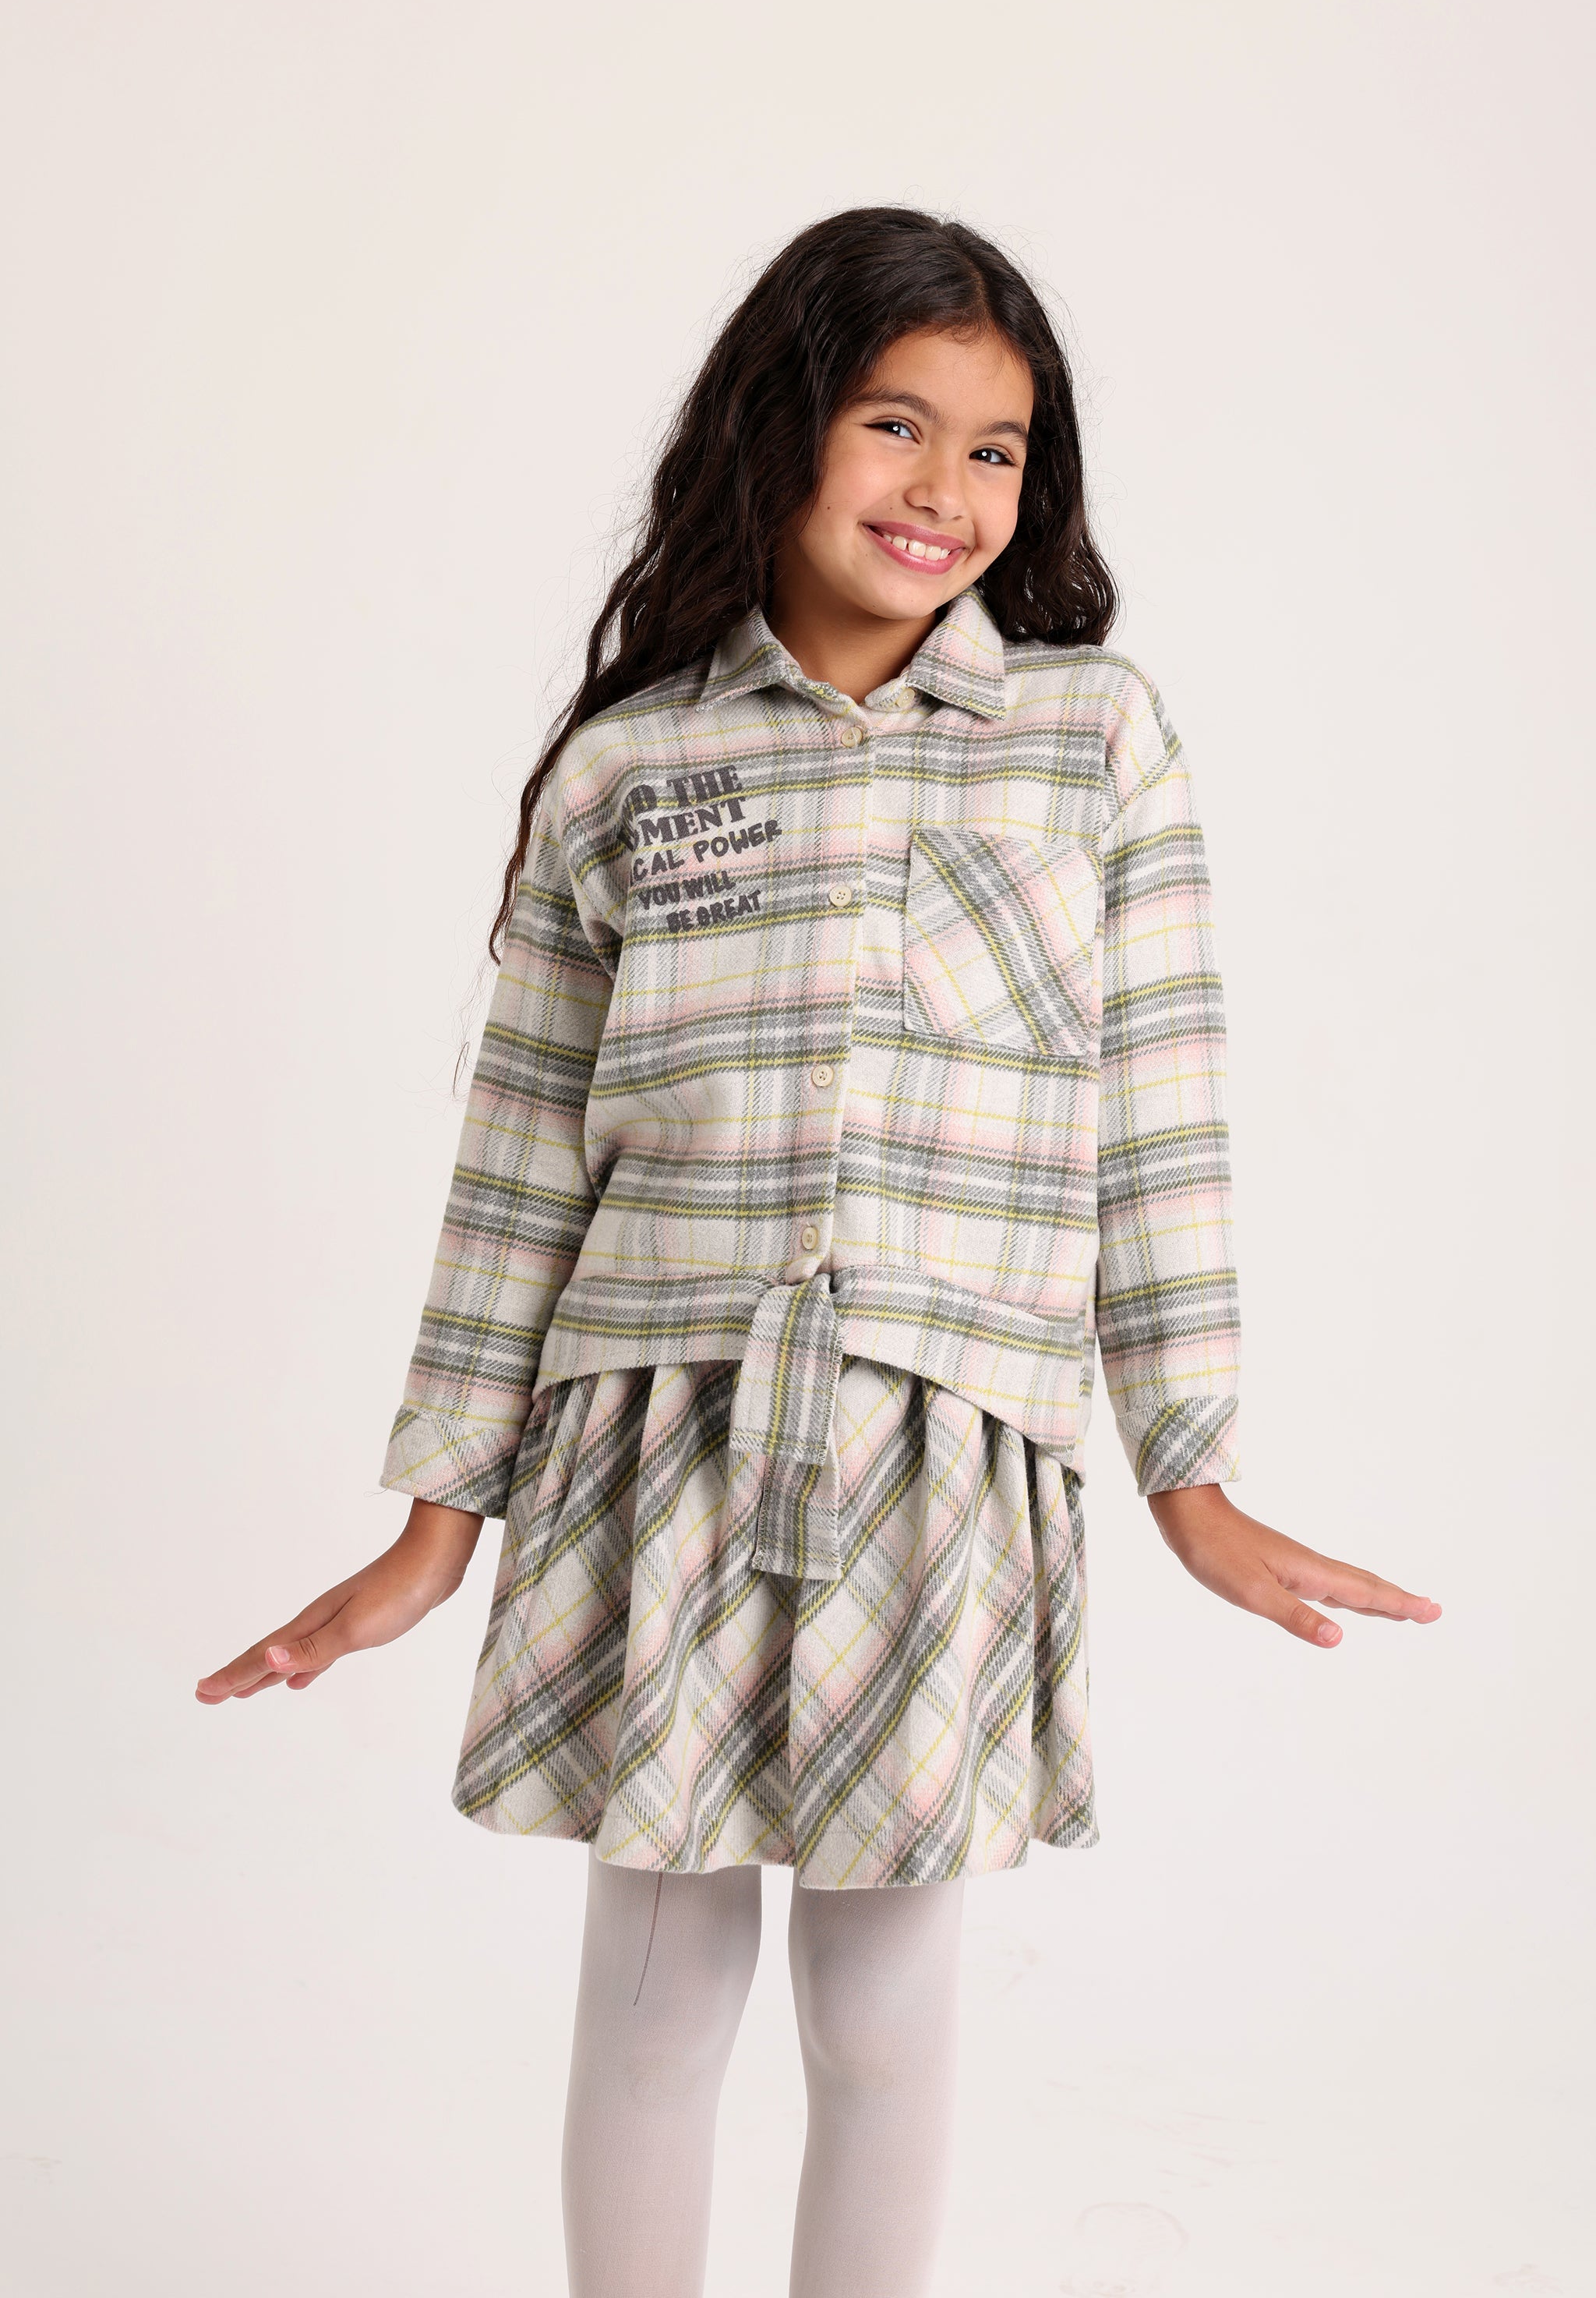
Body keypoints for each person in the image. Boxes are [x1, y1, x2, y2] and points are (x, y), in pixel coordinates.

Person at [196, 207, 1441, 2298]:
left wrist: (1192, 1474)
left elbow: (1159, 1128)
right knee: (655, 2001)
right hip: (655, 1440)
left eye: (997, 447)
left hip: (937, 1449)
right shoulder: (630, 768)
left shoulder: (1092, 738)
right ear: (775, 431)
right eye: (894, 423)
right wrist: (432, 1524)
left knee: (881, 2015)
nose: (945, 487)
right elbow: (518, 1167)